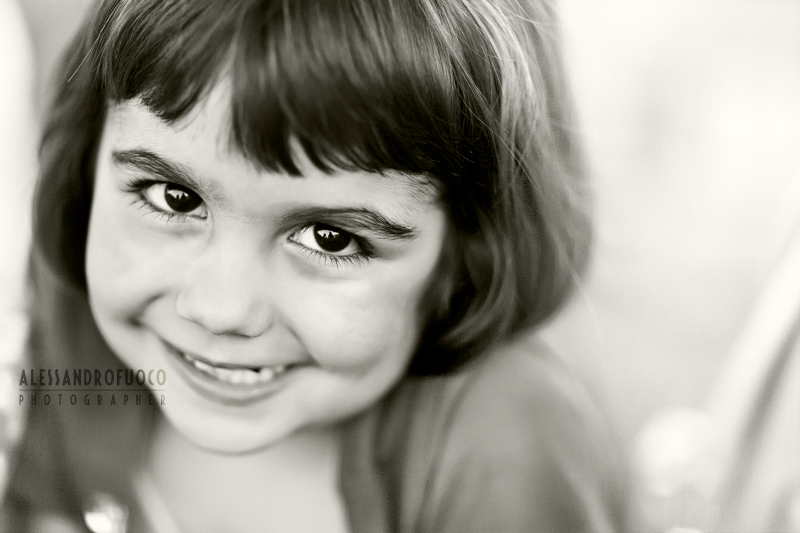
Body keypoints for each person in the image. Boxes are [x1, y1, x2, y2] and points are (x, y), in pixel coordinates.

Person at [2, 0, 628, 531]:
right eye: (174, 198)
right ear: (86, 161)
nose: (220, 310)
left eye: (330, 239)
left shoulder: (502, 443)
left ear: (466, 256)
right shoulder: (66, 320)